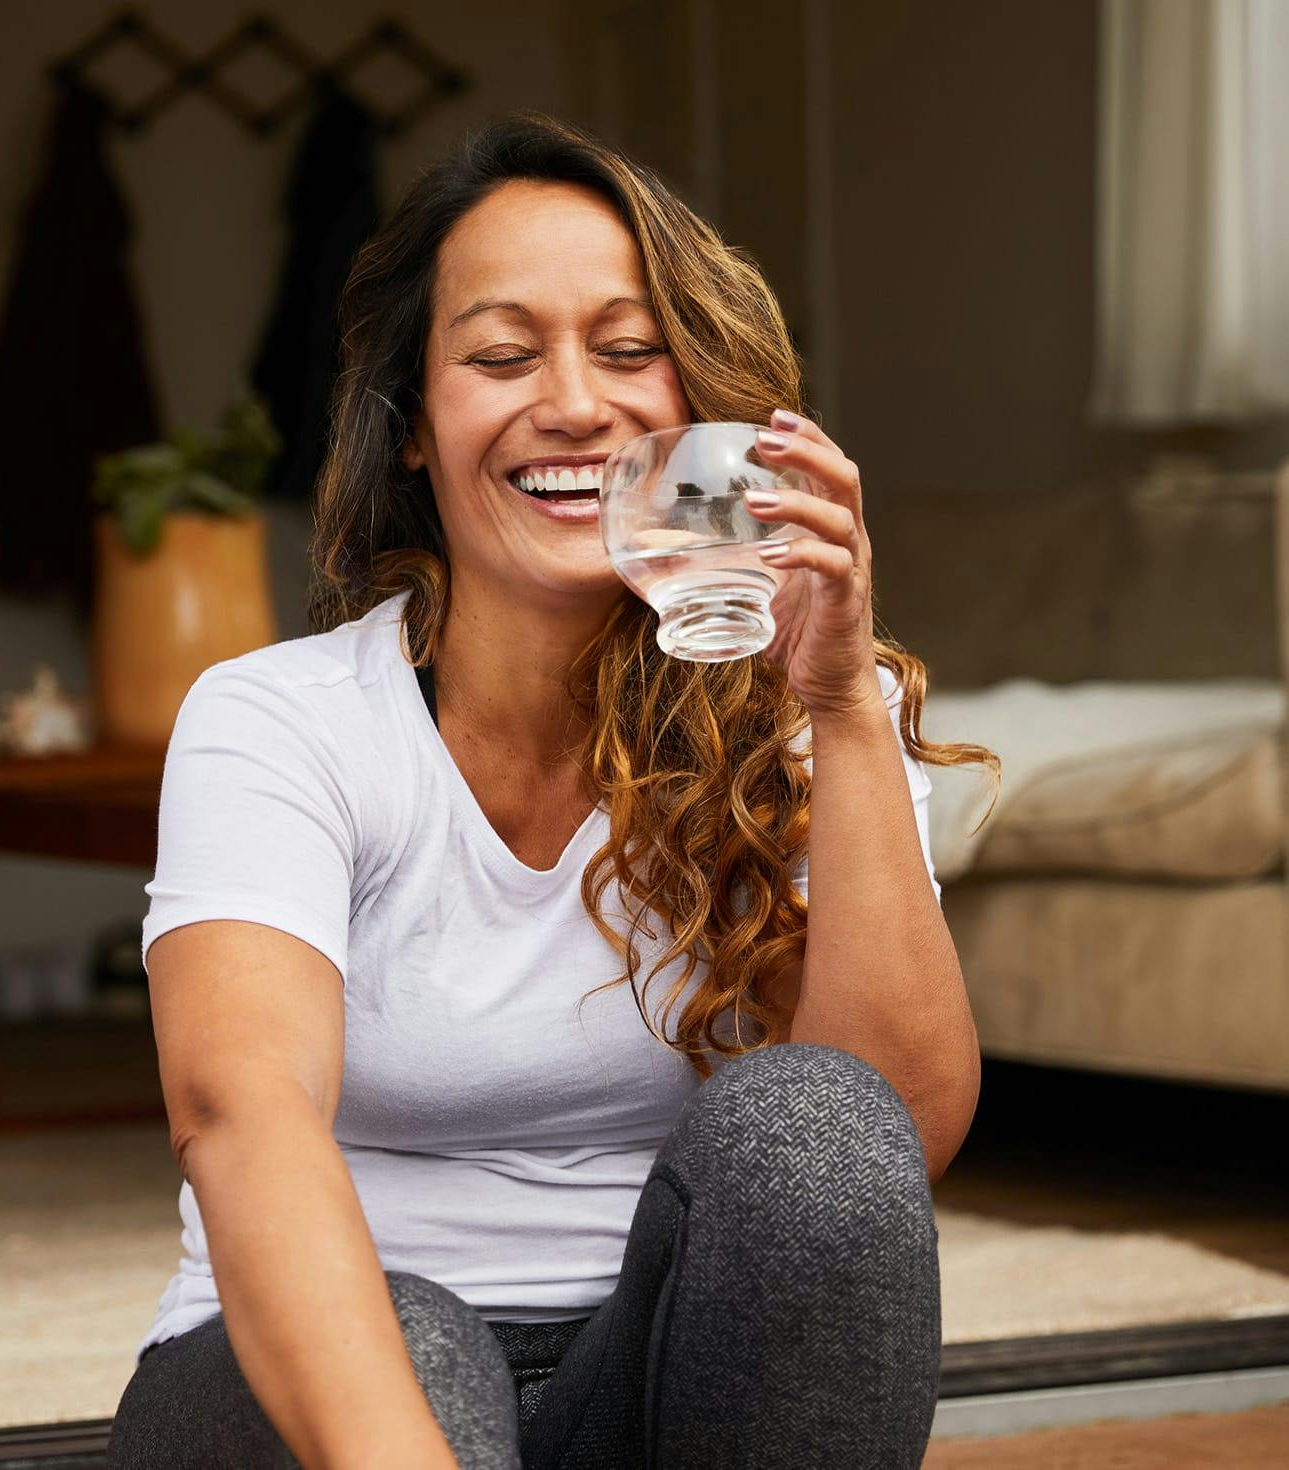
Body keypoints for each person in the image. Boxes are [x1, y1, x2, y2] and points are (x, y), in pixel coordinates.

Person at [106, 110, 999, 1470]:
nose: (575, 402)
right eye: (501, 355)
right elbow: (240, 1115)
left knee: (812, 1120)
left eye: (630, 350)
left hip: (643, 1386)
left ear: (696, 401)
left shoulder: (814, 698)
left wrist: (836, 712)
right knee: (420, 1343)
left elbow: (886, 1136)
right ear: (411, 427)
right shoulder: (278, 719)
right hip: (318, 1387)